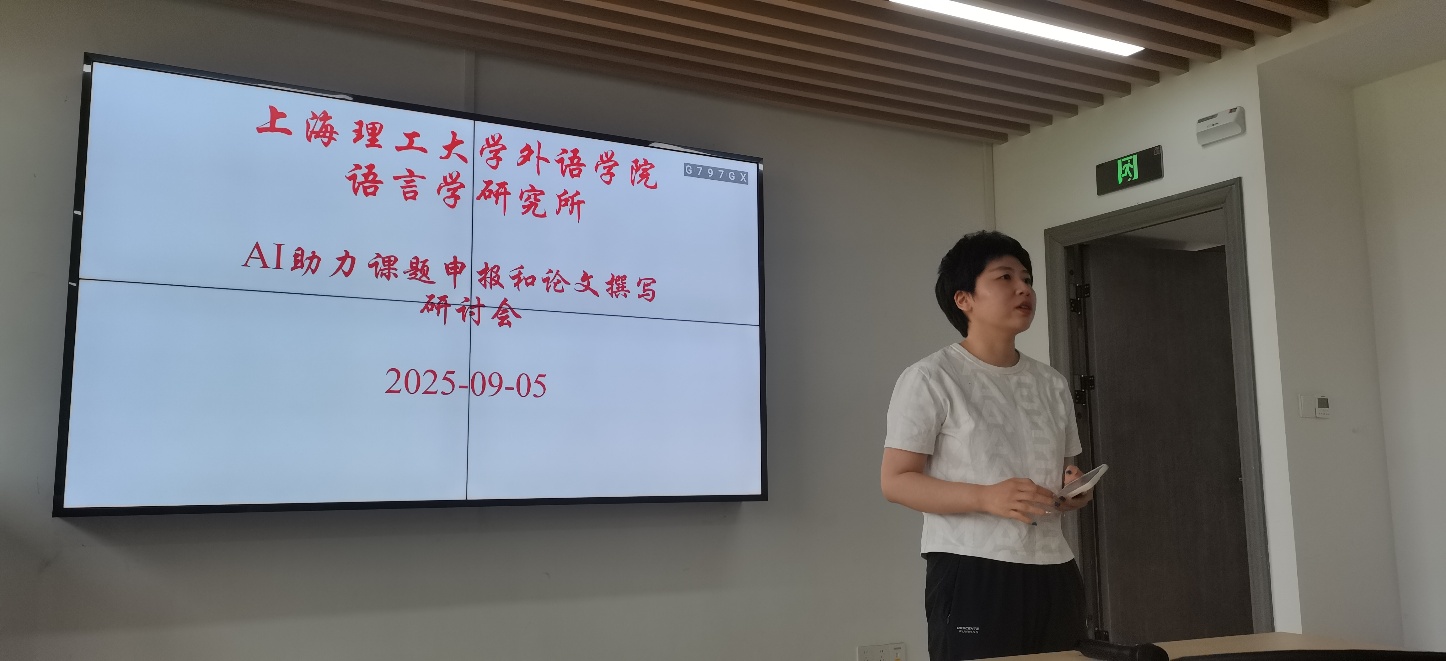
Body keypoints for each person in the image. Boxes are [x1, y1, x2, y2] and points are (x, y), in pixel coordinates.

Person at [880, 230, 1095, 660]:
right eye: (1004, 277)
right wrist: (985, 497)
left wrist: (1072, 488)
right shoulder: (930, 378)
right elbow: (896, 481)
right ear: (964, 299)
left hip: (1054, 567)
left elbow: (1060, 469)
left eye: (1027, 278)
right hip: (973, 567)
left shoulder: (1051, 383)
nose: (1024, 288)